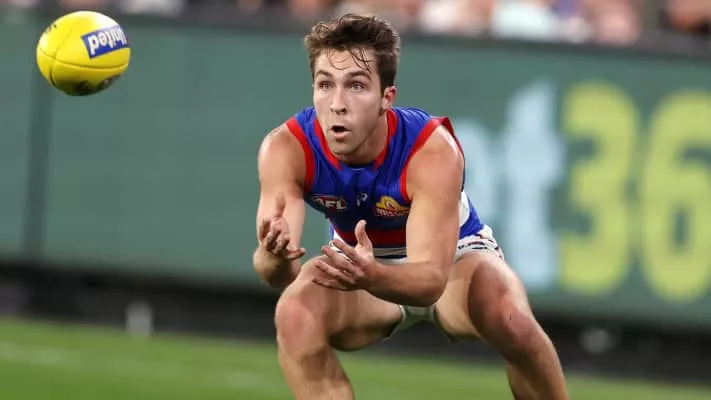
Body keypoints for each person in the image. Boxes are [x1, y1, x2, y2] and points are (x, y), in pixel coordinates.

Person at [253, 13, 569, 400]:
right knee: (294, 315)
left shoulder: (432, 150)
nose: (337, 104)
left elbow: (431, 283)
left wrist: (371, 275)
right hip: (362, 265)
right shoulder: (286, 149)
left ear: (386, 98)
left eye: (356, 85)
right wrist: (274, 255)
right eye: (325, 84)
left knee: (512, 320)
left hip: (453, 260)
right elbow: (277, 274)